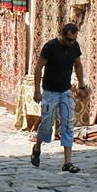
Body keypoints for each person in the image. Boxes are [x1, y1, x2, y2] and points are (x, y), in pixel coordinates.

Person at [31, 22, 86, 173]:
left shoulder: (74, 47)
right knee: (47, 123)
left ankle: (67, 162)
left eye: (74, 40)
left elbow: (78, 65)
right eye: (69, 40)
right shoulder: (50, 47)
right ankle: (37, 147)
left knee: (68, 124)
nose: (71, 43)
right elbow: (38, 67)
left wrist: (81, 85)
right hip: (50, 91)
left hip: (65, 91)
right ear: (62, 35)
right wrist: (37, 91)